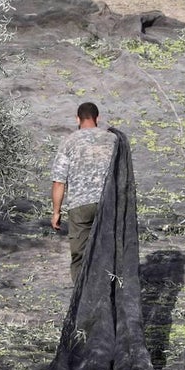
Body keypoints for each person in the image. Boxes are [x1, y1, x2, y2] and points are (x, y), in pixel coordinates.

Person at [51, 102, 117, 283]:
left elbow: (59, 182)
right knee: (107, 251)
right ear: (98, 118)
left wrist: (56, 212)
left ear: (77, 119)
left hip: (80, 205)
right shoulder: (112, 140)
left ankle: (81, 298)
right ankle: (106, 293)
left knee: (79, 254)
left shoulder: (69, 141)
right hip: (108, 204)